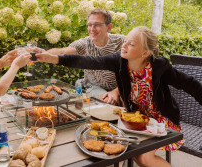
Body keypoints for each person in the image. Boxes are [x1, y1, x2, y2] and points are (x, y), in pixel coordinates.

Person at [36, 26, 202, 167]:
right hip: (135, 118)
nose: (124, 46)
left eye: (132, 44)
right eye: (125, 41)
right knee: (125, 151)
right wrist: (55, 58)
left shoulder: (160, 67)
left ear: (145, 52)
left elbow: (189, 84)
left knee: (143, 156)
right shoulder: (120, 61)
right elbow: (90, 61)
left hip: (161, 119)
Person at [47, 8, 125, 105]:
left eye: (97, 25)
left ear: (109, 27)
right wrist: (43, 54)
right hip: (93, 86)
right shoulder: (84, 43)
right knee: (107, 101)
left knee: (124, 101)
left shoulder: (122, 42)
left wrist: (116, 92)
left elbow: (134, 73)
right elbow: (62, 51)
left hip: (119, 86)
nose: (92, 29)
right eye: (89, 25)